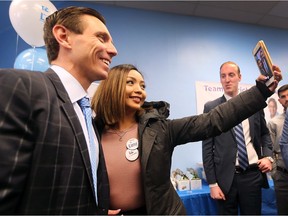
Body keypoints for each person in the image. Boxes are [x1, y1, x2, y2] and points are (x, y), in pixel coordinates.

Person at [91, 63, 282, 215]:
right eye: (130, 82)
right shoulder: (90, 131)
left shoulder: (160, 129)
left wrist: (260, 91)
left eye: (143, 85)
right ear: (112, 86)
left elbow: (213, 120)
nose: (140, 90)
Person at [0, 6, 117, 214]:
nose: (113, 50)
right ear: (64, 37)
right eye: (102, 38)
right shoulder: (19, 87)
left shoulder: (88, 113)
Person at [202, 61, 274, 215]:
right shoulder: (211, 108)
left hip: (252, 175)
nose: (227, 79)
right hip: (225, 180)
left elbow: (264, 133)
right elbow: (207, 148)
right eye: (223, 76)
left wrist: (268, 156)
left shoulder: (253, 104)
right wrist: (212, 183)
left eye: (231, 75)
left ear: (239, 77)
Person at [267, 84, 288, 215]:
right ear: (279, 100)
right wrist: (275, 173)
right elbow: (270, 149)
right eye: (283, 97)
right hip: (283, 176)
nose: (287, 99)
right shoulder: (274, 122)